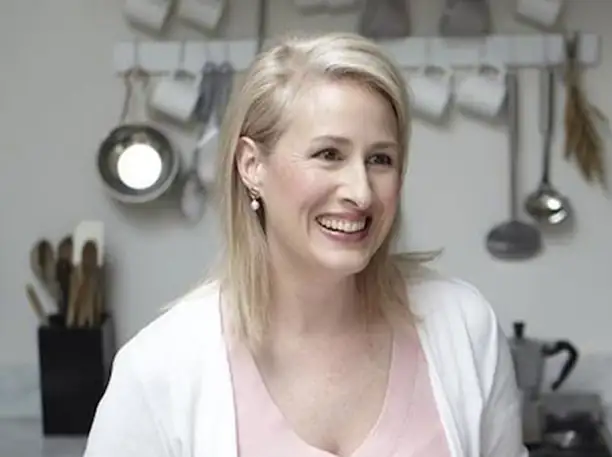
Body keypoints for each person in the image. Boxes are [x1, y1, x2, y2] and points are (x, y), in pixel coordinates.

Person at [83, 32, 527, 457]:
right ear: (252, 165)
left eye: (380, 159)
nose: (361, 191)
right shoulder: (160, 368)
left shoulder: (464, 327)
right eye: (328, 154)